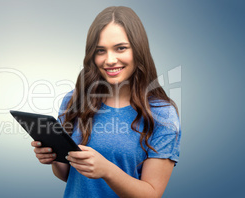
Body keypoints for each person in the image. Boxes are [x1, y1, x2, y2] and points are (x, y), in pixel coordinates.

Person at [31, 6, 181, 198]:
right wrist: (54, 158)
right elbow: (70, 176)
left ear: (138, 50)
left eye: (121, 48)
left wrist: (108, 171)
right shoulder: (74, 100)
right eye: (100, 50)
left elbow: (151, 194)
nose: (110, 60)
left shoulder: (162, 114)